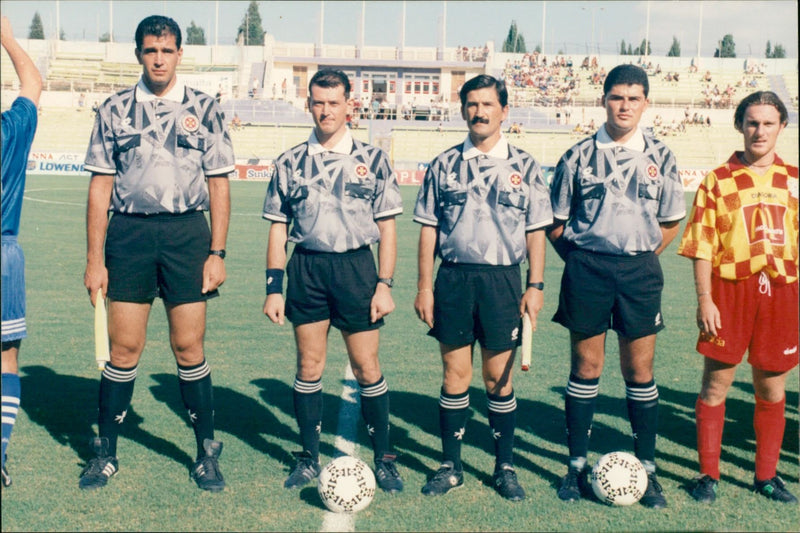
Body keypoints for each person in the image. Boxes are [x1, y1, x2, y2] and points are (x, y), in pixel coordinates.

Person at [80, 15, 235, 492]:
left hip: (188, 234)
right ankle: (105, 452)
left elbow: (219, 184)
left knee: (188, 346)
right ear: (139, 54)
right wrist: (94, 259)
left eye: (167, 50)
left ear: (180, 54)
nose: (159, 58)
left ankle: (206, 450)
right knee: (125, 348)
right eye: (151, 50)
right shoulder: (113, 109)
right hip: (128, 236)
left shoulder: (205, 109)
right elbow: (99, 188)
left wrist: (217, 251)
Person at [546, 64, 686, 509]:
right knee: (586, 369)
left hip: (639, 272)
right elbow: (555, 222)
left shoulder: (662, 156)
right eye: (616, 97)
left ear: (646, 103)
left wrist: (640, 255)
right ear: (603, 99)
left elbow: (671, 221)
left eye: (633, 98)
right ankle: (575, 467)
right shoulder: (577, 156)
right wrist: (583, 258)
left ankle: (648, 469)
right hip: (587, 269)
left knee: (639, 373)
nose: (624, 106)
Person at [262, 69, 404, 494]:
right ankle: (308, 457)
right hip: (306, 269)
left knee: (366, 366)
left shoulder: (374, 160)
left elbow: (388, 228)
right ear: (309, 104)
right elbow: (276, 228)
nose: (326, 110)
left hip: (357, 270)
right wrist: (273, 287)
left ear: (349, 106)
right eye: (319, 102)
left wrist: (385, 283)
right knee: (309, 365)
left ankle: (385, 459)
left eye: (334, 102)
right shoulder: (289, 162)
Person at [413, 74, 552, 501]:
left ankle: (504, 465)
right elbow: (428, 231)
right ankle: (450, 465)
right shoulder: (443, 165)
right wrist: (424, 286)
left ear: (504, 111)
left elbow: (535, 233)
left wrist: (536, 285)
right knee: (455, 374)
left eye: (488, 104)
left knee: (498, 379)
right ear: (462, 111)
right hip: (453, 278)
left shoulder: (526, 166)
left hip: (503, 281)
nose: (479, 112)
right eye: (472, 105)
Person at [678, 91, 798, 505]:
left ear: (782, 126)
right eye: (751, 122)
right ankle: (707, 474)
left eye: (768, 123)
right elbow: (702, 246)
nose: (759, 131)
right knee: (716, 384)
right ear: (740, 126)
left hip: (782, 293)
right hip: (730, 292)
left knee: (771, 388)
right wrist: (704, 298)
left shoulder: (796, 180)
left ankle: (766, 476)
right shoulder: (718, 179)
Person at [1, 15, 43, 489]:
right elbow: (33, 81)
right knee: (6, 360)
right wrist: (6, 39)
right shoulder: (11, 128)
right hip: (3, 256)